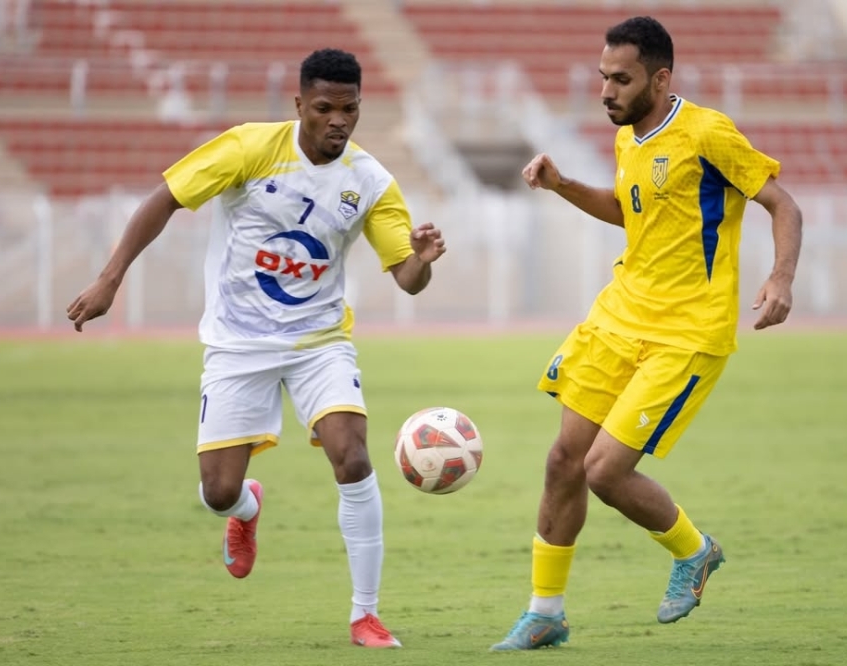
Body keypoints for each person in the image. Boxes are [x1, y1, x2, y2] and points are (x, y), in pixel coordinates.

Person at [67, 48, 446, 649]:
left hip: (319, 342)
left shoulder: (371, 181)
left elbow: (405, 274)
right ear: (299, 105)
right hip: (237, 344)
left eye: (349, 110)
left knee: (351, 455)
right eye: (324, 108)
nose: (337, 122)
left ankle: (365, 615)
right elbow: (164, 198)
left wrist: (421, 263)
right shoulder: (248, 148)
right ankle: (246, 511)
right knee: (217, 491)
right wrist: (111, 278)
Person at [491, 16, 802, 650]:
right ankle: (545, 612)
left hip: (687, 332)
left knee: (605, 471)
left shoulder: (707, 132)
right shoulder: (630, 136)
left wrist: (780, 279)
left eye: (621, 79)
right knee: (562, 462)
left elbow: (783, 204)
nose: (606, 91)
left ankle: (694, 551)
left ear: (660, 79)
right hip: (619, 315)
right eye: (603, 77)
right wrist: (562, 186)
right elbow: (630, 214)